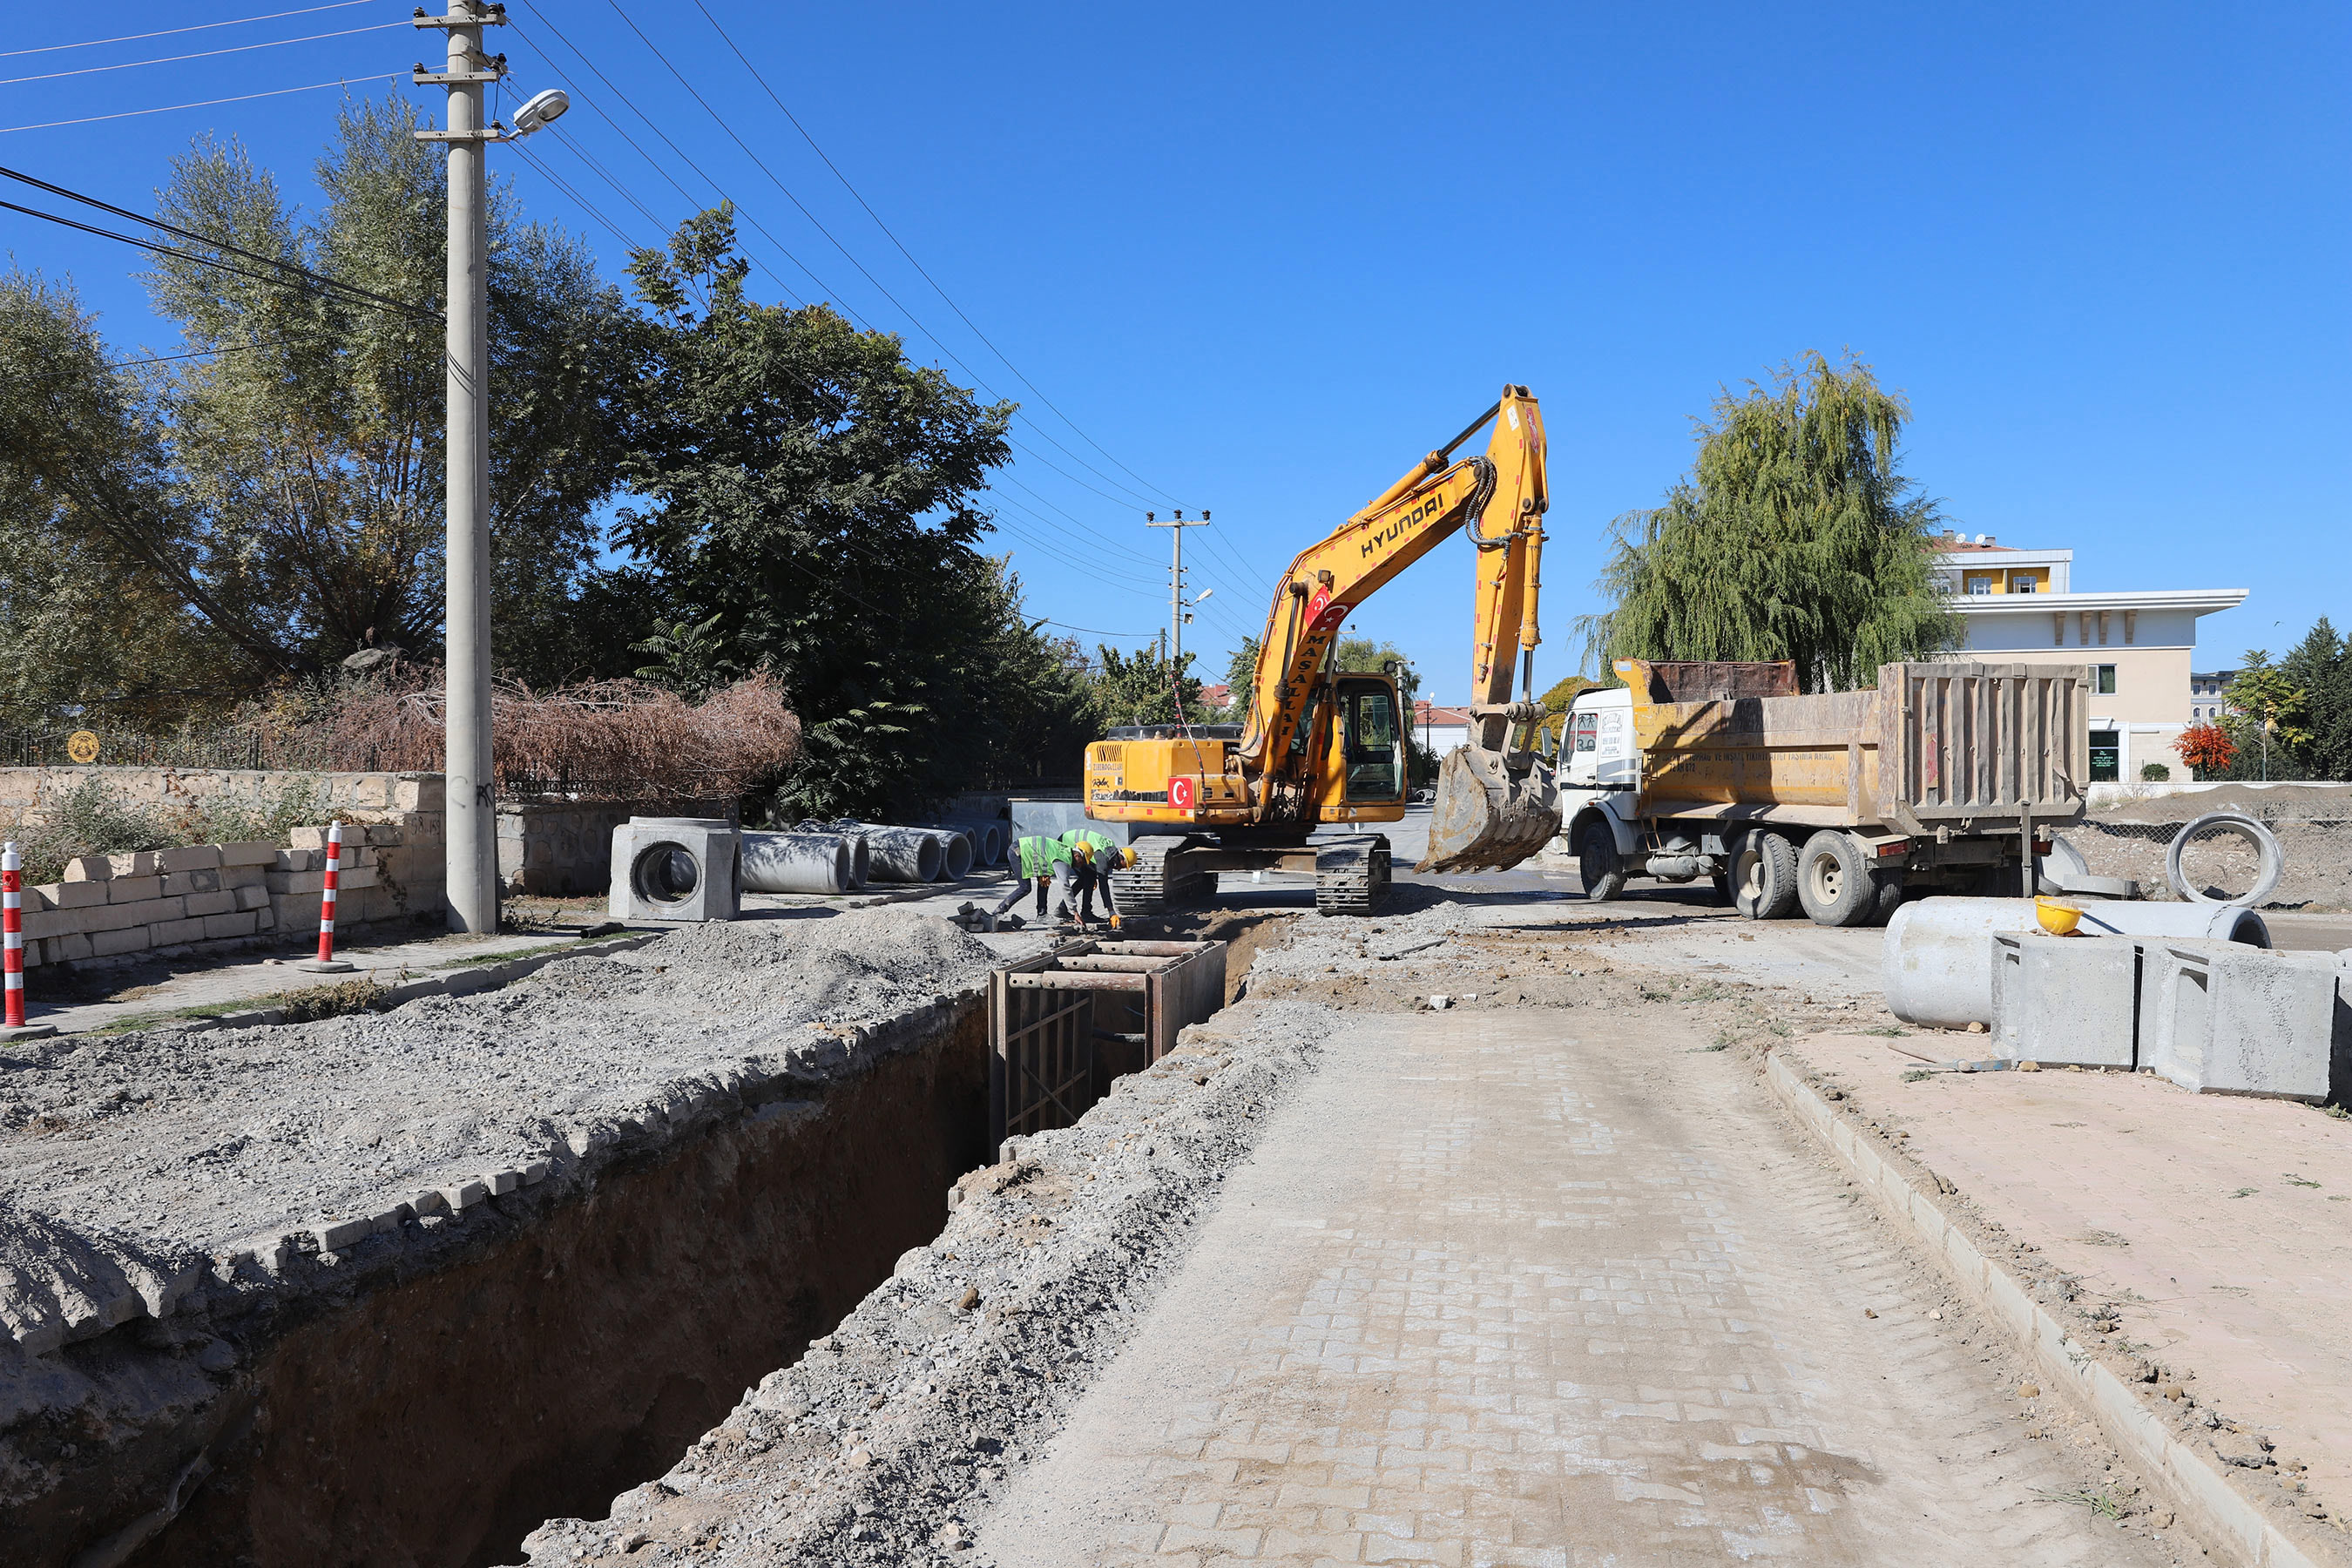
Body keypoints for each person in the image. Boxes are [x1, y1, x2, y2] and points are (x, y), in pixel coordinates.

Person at [992, 834, 1079, 929]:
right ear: (1077, 855)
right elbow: (1064, 885)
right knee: (1025, 888)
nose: (1081, 865)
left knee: (1044, 883)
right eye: (1082, 861)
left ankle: (1042, 915)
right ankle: (998, 911)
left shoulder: (1065, 850)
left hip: (1024, 850)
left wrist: (1044, 873)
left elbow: (1045, 852)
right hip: (1017, 851)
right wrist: (1074, 911)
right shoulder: (1064, 858)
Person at [1061, 829, 1132, 928]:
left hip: (1078, 845)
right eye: (1122, 866)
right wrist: (1111, 912)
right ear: (1121, 858)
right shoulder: (1104, 859)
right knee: (1087, 878)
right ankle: (1066, 910)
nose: (1119, 869)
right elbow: (1103, 886)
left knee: (1089, 877)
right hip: (1068, 843)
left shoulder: (1111, 849)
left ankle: (1082, 912)